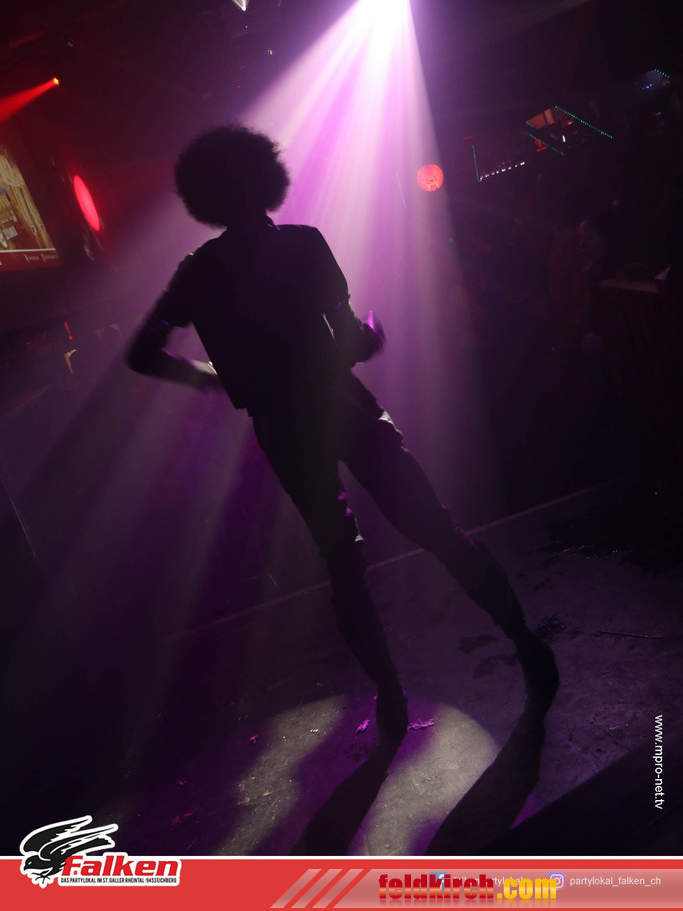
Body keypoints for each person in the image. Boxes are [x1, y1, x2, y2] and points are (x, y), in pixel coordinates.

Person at [127, 125, 558, 742]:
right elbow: (351, 339)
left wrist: (210, 378)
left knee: (342, 560)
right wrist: (372, 333)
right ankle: (525, 644)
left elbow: (142, 353)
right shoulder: (304, 244)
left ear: (205, 197)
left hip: (281, 426)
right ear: (266, 179)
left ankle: (389, 696)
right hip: (342, 406)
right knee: (436, 529)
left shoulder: (197, 273)